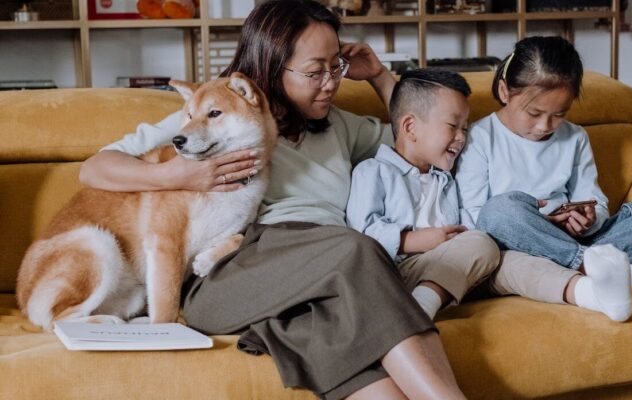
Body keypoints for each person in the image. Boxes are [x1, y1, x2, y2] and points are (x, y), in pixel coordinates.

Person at [79, 1, 467, 399]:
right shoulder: (220, 115)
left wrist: (381, 77)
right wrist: (173, 174)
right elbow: (94, 168)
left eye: (336, 67)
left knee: (341, 338)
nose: (330, 83)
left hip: (322, 281)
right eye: (316, 71)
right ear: (270, 65)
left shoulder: (338, 127)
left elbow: (419, 139)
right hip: (234, 272)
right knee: (358, 250)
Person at [456, 36, 632, 322]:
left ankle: (593, 266)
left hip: (572, 240)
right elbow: (477, 219)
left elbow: (596, 200)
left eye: (559, 114)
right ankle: (597, 267)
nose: (545, 126)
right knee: (500, 210)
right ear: (505, 91)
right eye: (534, 113)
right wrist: (542, 225)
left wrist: (590, 218)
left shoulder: (575, 137)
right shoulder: (481, 138)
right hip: (517, 246)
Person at [346, 69, 500, 320]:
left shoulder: (446, 179)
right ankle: (421, 306)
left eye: (465, 128)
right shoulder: (372, 171)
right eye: (453, 126)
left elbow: (465, 226)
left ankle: (578, 288)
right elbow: (362, 235)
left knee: (505, 258)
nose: (461, 137)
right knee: (482, 244)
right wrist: (419, 240)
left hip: (451, 262)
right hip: (400, 270)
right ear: (410, 127)